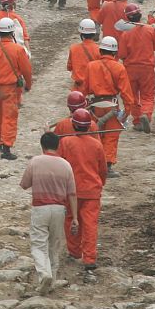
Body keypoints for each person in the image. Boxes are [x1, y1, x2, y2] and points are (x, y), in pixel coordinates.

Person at [19, 132, 78, 294]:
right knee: (54, 245)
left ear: (42, 145)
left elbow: (24, 184)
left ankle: (44, 274)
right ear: (58, 146)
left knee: (39, 245)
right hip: (60, 210)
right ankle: (51, 280)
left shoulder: (35, 161)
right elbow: (72, 194)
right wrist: (75, 218)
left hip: (40, 209)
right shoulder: (66, 165)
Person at [58, 109, 108, 282]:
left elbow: (60, 164)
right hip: (92, 190)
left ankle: (74, 251)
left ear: (73, 124)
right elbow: (103, 169)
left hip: (70, 190)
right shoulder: (97, 144)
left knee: (71, 219)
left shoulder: (65, 142)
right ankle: (89, 259)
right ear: (89, 126)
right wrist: (101, 183)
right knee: (90, 224)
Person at [0, 18, 33, 160]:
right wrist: (28, 84)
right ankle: (6, 147)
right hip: (10, 90)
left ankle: (0, 139)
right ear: (12, 32)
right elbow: (26, 70)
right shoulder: (18, 50)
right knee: (9, 117)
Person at [82, 35, 134, 176]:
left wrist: (81, 107)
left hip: (94, 106)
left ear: (101, 51)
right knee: (110, 136)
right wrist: (127, 111)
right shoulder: (119, 68)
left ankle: (92, 164)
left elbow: (84, 88)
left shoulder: (91, 66)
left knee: (94, 135)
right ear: (114, 52)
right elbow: (126, 93)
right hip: (111, 106)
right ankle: (107, 166)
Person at [117, 3, 155, 133]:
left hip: (130, 68)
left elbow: (122, 54)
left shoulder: (125, 33)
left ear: (127, 18)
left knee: (133, 96)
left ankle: (137, 121)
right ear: (140, 15)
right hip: (147, 68)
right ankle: (146, 114)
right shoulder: (149, 30)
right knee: (148, 95)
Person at [67, 21, 102, 91]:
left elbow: (69, 67)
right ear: (94, 34)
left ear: (81, 34)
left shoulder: (73, 48)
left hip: (79, 88)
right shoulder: (99, 50)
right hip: (94, 88)